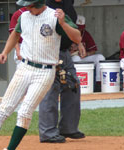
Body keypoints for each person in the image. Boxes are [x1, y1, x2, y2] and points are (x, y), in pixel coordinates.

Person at [0, 0, 81, 149]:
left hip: (44, 71)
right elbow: (15, 35)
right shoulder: (24, 16)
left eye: (29, 5)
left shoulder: (55, 16)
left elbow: (77, 37)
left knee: (25, 111)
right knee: (4, 108)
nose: (26, 8)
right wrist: (5, 52)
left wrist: (63, 23)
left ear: (38, 4)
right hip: (24, 67)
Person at [38, 0, 85, 143]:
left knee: (72, 86)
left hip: (65, 52)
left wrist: (78, 43)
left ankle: (68, 128)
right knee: (50, 90)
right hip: (48, 52)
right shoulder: (45, 4)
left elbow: (71, 26)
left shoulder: (68, 2)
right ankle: (48, 132)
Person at [70, 15, 105, 88]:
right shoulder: (68, 32)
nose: (79, 29)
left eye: (81, 28)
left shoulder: (85, 34)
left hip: (83, 58)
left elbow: (93, 50)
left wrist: (87, 54)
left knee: (100, 57)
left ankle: (98, 83)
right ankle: (77, 84)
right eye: (77, 27)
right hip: (72, 59)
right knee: (76, 58)